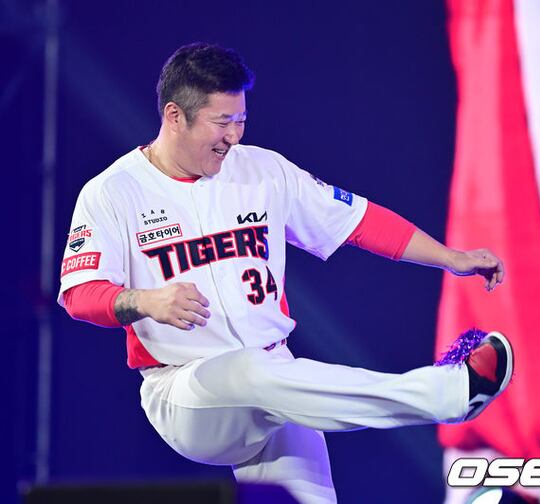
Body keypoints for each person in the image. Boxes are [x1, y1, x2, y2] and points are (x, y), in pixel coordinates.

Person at [58, 42, 513, 504]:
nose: (233, 136)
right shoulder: (113, 191)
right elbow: (79, 294)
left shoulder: (264, 170)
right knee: (252, 371)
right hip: (185, 392)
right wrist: (145, 300)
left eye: (241, 120)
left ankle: (442, 395)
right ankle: (446, 394)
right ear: (175, 116)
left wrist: (450, 258)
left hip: (278, 379)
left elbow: (358, 222)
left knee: (293, 444)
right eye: (221, 121)